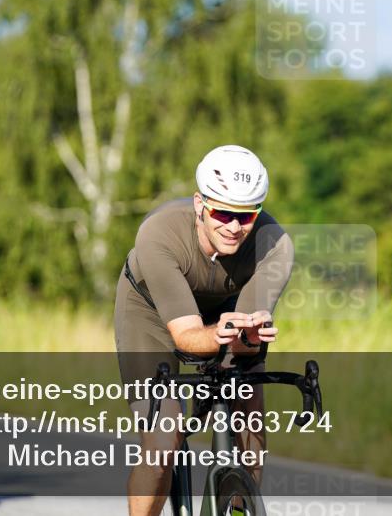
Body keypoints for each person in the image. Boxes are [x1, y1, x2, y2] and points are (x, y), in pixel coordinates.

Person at [115, 145, 294, 516]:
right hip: (151, 311)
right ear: (200, 204)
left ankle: (238, 503)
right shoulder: (158, 234)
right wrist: (218, 337)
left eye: (246, 216)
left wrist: (248, 340)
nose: (233, 226)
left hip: (225, 310)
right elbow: (187, 338)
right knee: (164, 436)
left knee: (249, 408)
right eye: (222, 212)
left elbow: (243, 337)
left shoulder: (275, 246)